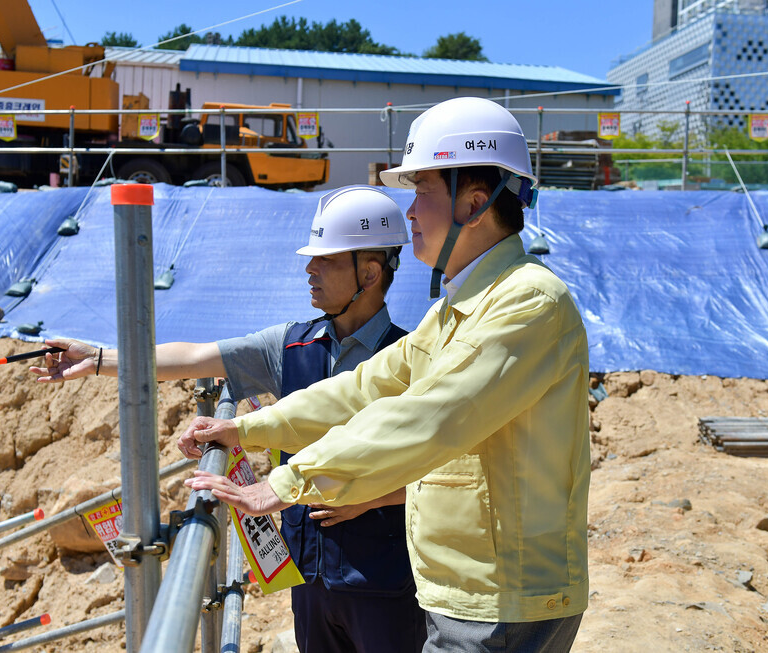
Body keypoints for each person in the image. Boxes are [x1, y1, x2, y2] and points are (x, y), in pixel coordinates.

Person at [179, 96, 591, 653]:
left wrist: (282, 484)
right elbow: (367, 386)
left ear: (474, 202)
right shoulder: (455, 310)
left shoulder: (528, 304)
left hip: (503, 600)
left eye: (421, 191)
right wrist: (249, 431)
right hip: (464, 590)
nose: (411, 212)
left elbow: (429, 417)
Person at [30, 185, 426, 653]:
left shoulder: (412, 359)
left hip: (386, 584)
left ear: (371, 271)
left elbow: (450, 470)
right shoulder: (290, 347)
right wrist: (98, 358)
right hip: (310, 579)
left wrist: (374, 498)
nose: (310, 269)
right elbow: (196, 356)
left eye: (328, 260)